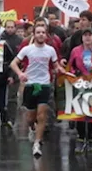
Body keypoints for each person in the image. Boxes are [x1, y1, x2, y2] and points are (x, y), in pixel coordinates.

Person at [11, 24, 59, 159]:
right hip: (30, 85)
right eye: (38, 32)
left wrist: (60, 70)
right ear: (34, 34)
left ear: (46, 35)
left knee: (42, 115)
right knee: (30, 117)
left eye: (43, 32)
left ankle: (37, 143)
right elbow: (13, 63)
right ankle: (32, 127)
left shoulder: (50, 50)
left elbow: (55, 65)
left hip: (44, 84)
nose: (41, 34)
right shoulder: (27, 49)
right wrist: (20, 74)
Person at [67, 28, 92, 153]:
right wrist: (74, 73)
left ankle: (90, 138)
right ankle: (80, 137)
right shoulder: (76, 50)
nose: (88, 38)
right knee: (80, 111)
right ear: (82, 38)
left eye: (90, 35)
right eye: (85, 35)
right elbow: (70, 66)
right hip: (80, 83)